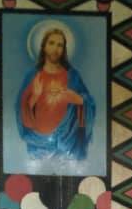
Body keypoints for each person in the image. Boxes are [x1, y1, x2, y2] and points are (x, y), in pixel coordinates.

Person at [16, 25, 95, 161]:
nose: (55, 49)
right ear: (44, 46)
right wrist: (35, 95)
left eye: (60, 45)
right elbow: (21, 108)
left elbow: (88, 102)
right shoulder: (33, 75)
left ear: (64, 50)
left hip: (67, 141)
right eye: (51, 43)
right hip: (38, 143)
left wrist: (77, 98)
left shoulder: (73, 76)